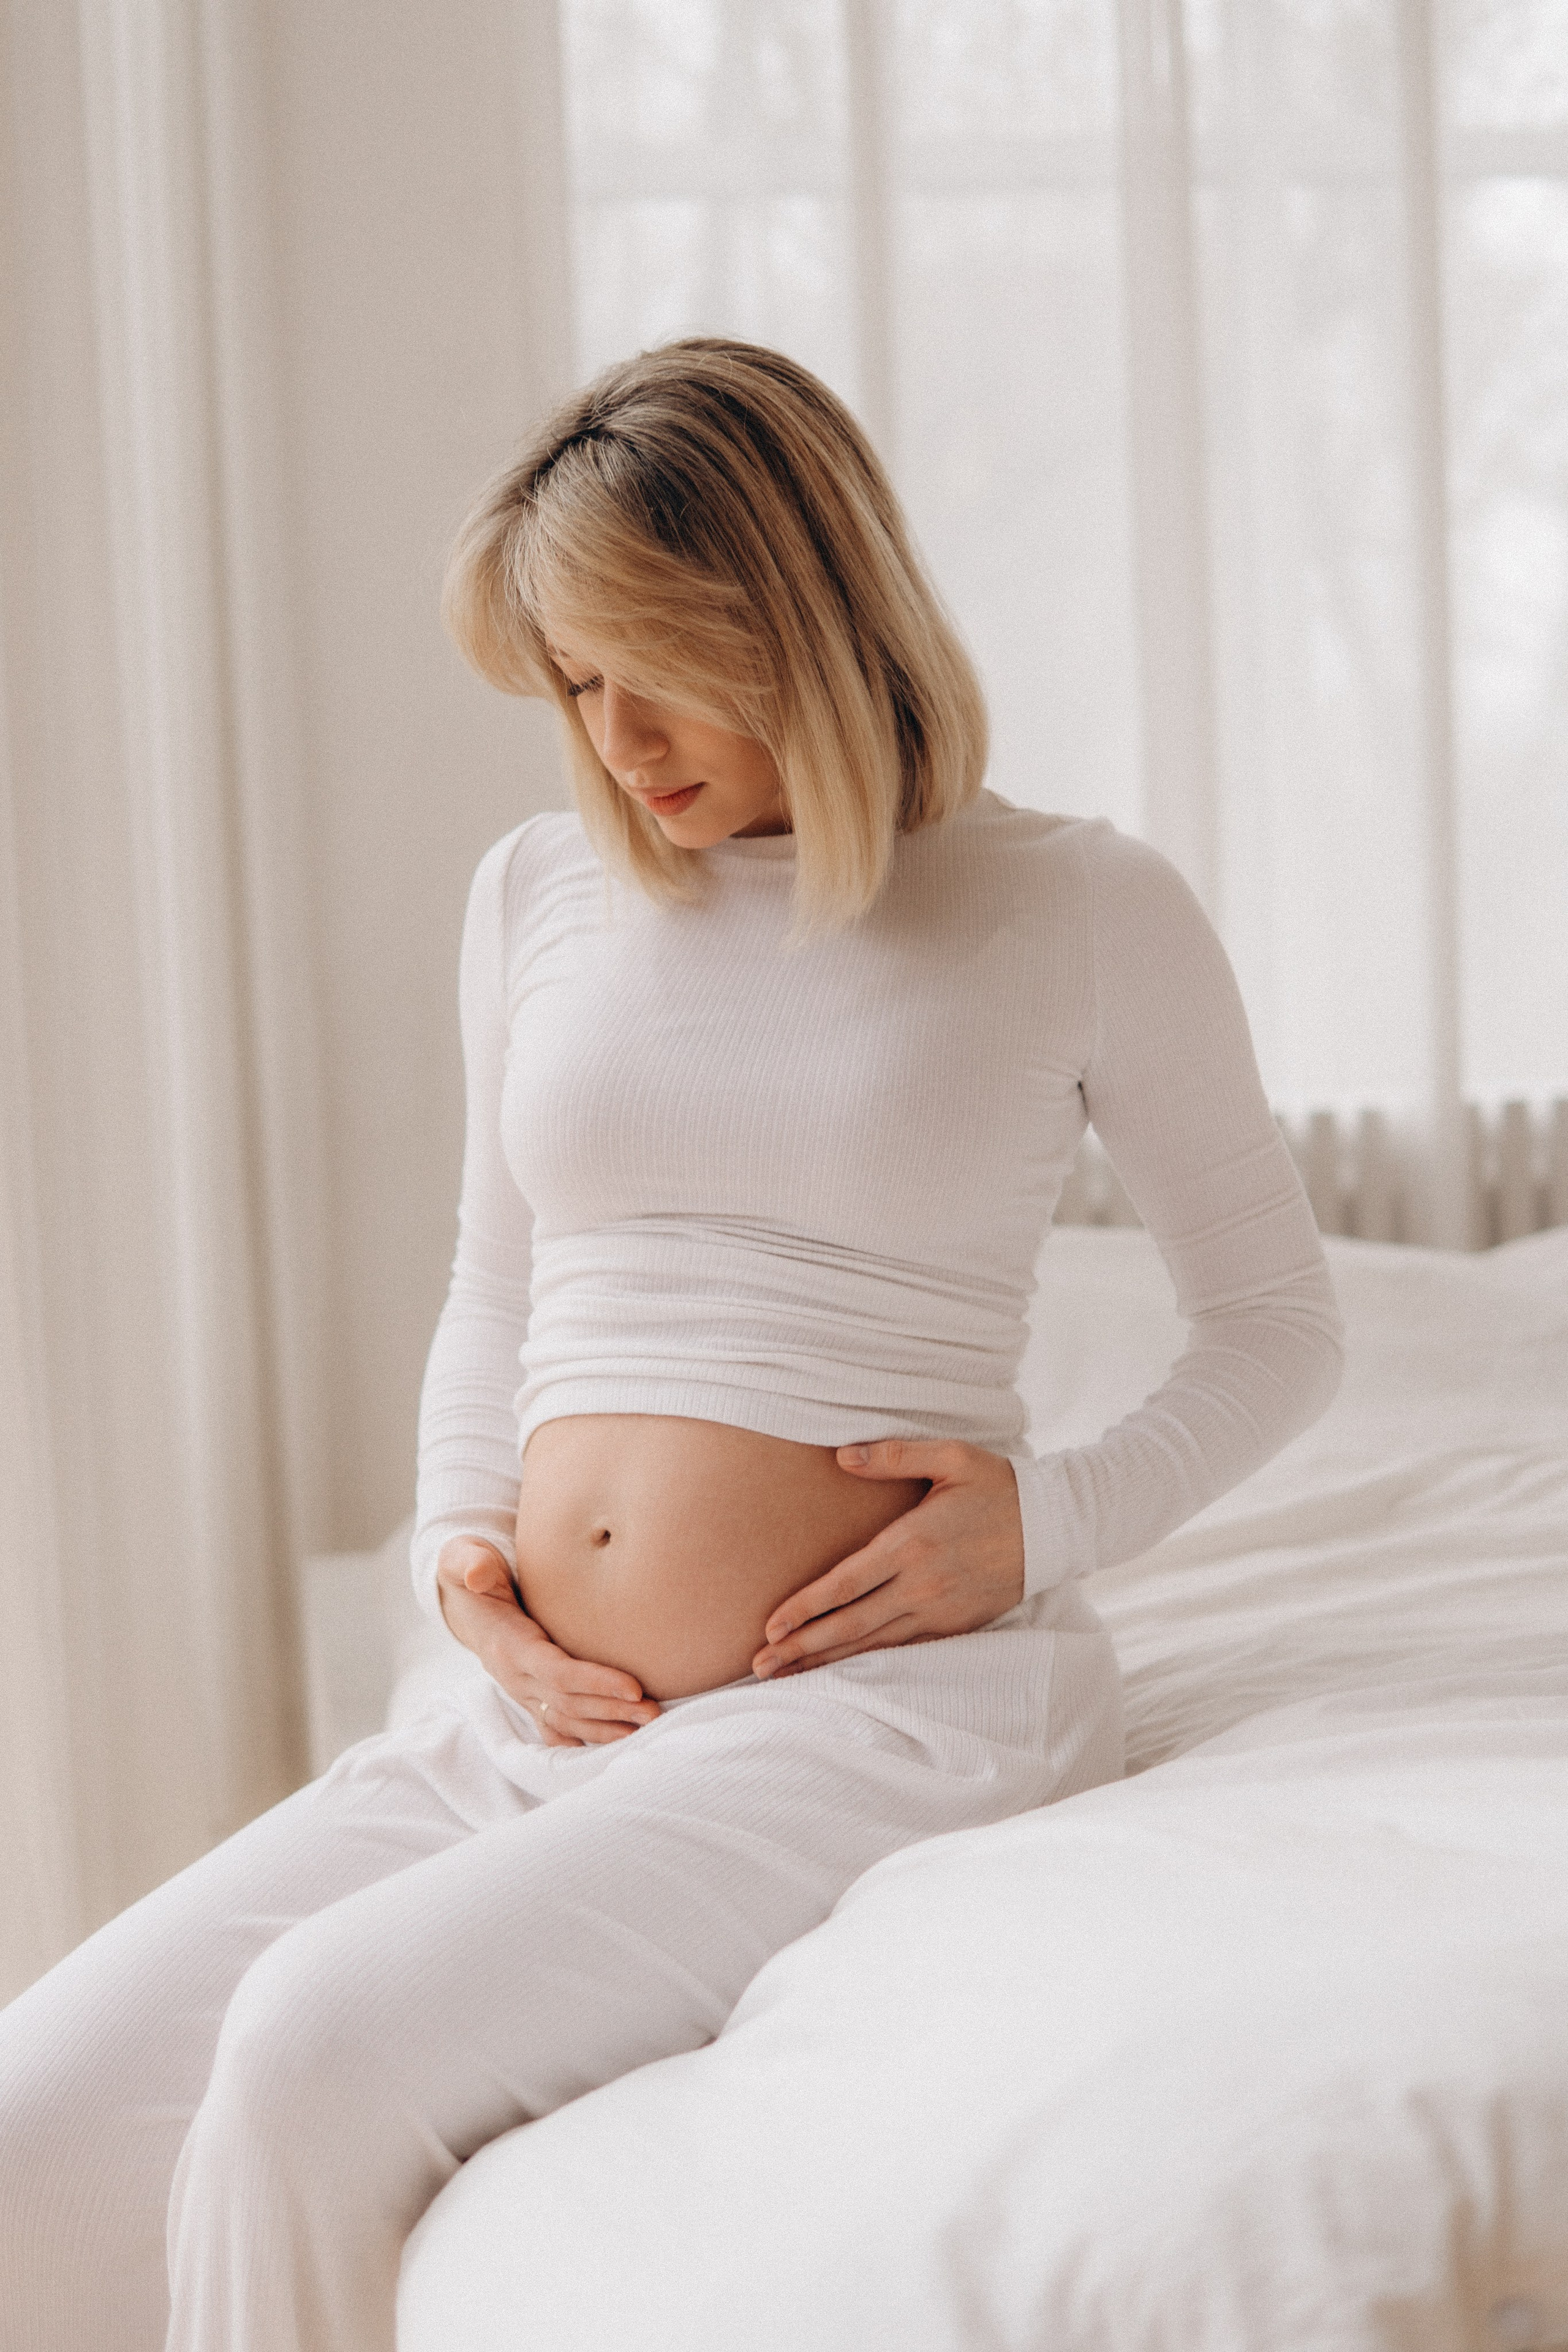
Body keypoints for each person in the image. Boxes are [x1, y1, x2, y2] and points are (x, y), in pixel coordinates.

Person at [0, 337, 1344, 2352]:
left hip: (866, 1718)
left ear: (795, 606)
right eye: (566, 684)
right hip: (536, 1724)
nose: (610, 736)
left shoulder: (1075, 904)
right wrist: (470, 1562)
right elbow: (497, 1282)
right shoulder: (538, 892)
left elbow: (1278, 1329)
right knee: (29, 2123)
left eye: (646, 663)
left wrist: (1042, 1526)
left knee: (307, 2052)